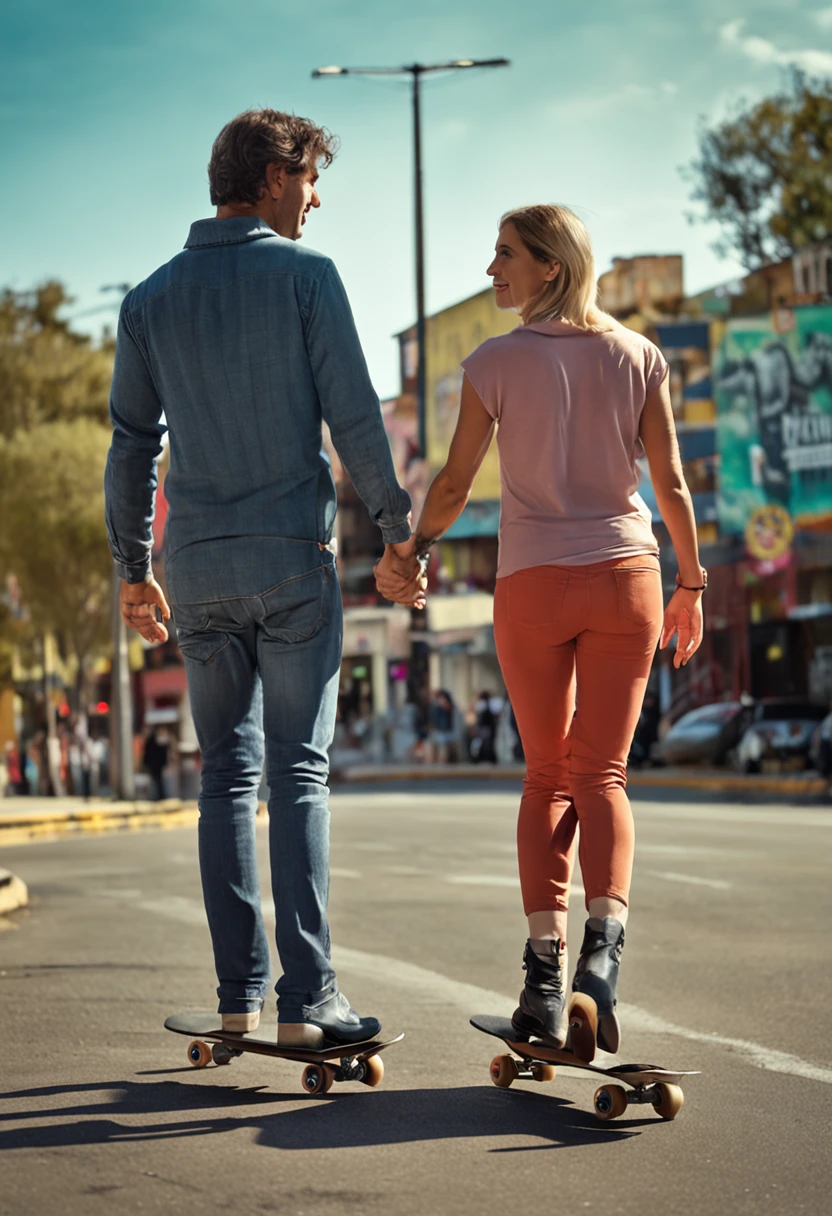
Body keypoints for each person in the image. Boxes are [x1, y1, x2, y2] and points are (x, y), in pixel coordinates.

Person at [104, 109, 424, 1046]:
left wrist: (133, 570)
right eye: (312, 177)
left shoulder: (150, 300)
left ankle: (238, 996)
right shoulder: (307, 279)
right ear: (276, 173)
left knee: (223, 784)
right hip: (290, 567)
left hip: (196, 573)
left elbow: (132, 447)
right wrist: (399, 536)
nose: (317, 197)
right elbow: (356, 419)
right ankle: (309, 999)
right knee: (299, 775)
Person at [377, 205, 704, 1061]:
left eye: (505, 257)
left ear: (550, 269)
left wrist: (413, 549)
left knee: (546, 777)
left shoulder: (491, 364)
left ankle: (543, 986)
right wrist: (692, 583)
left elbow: (452, 483)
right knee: (602, 774)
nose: (492, 270)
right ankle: (603, 960)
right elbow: (668, 481)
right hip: (628, 578)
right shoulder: (640, 357)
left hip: (531, 588)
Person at [143, 727, 170, 802]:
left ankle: (159, 795)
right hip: (156, 764)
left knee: (157, 780)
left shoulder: (153, 741)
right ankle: (159, 795)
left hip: (155, 764)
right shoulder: (156, 742)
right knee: (157, 780)